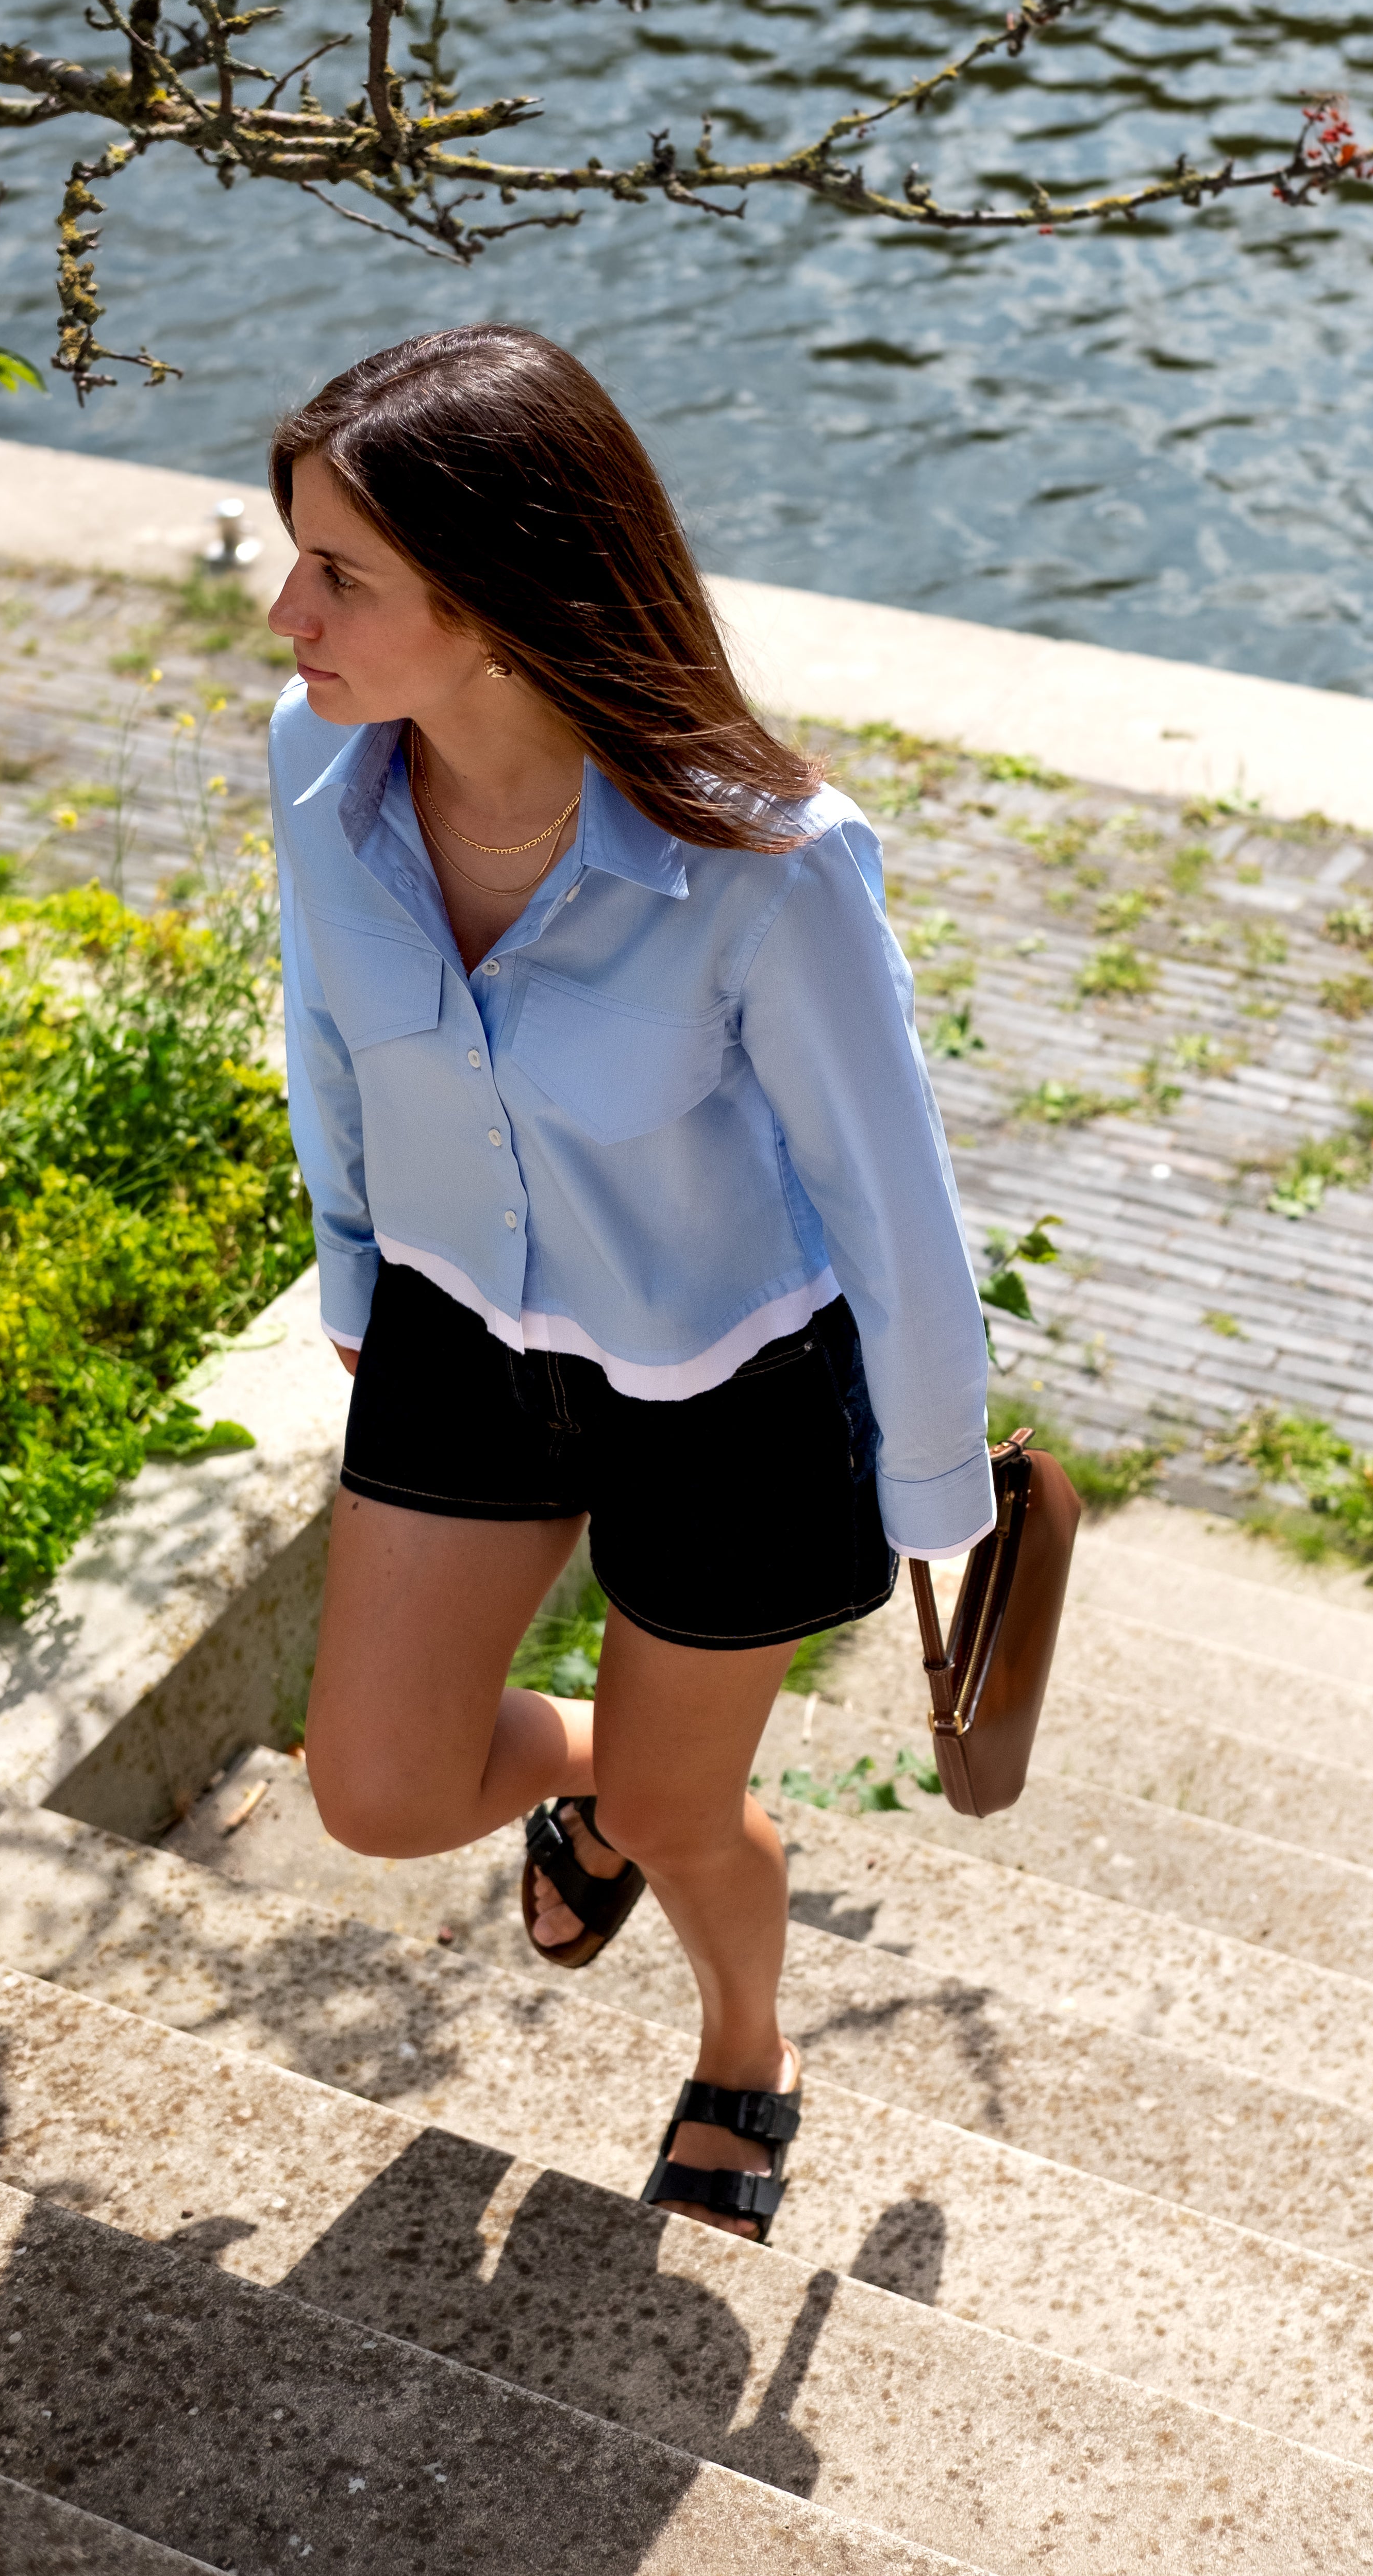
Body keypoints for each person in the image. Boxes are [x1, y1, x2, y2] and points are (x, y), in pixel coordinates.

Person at [265, 326, 995, 2242]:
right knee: (383, 1795)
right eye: (296, 557)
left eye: (339, 575)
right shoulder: (319, 766)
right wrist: (351, 1257)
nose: (285, 616)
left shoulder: (768, 867)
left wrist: (941, 1503)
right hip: (454, 1327)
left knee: (692, 1822)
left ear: (501, 605)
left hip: (729, 1387)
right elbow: (322, 1034)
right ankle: (611, 1780)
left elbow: (894, 1207)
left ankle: (747, 2042)